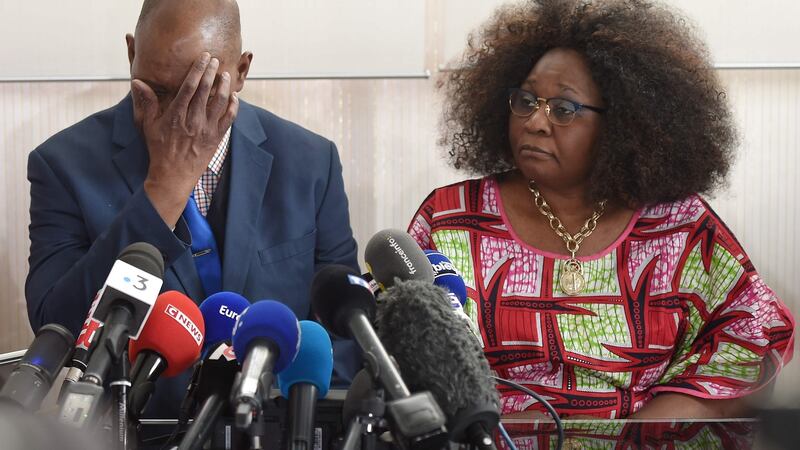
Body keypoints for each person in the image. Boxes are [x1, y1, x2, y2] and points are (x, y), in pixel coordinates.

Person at [408, 0, 794, 419]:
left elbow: (753, 333)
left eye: (563, 109)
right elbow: (400, 348)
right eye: (527, 100)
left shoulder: (679, 226)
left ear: (624, 124)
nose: (535, 122)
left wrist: (643, 433)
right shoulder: (452, 218)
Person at [26, 0, 360, 417]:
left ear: (241, 71)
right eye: (158, 91)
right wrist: (164, 189)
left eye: (201, 90)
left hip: (273, 426)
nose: (177, 117)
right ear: (131, 53)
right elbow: (57, 326)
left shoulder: (310, 162)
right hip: (135, 429)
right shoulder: (63, 165)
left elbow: (342, 331)